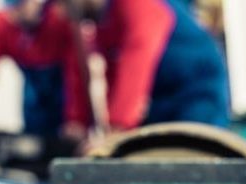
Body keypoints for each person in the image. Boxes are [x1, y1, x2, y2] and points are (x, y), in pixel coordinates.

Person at [64, 0, 230, 133]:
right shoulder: (103, 20)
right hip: (161, 97)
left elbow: (138, 53)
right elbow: (115, 75)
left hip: (197, 90)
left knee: (192, 150)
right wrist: (81, 122)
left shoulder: (135, 4)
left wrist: (117, 127)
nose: (64, 8)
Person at [0, 0, 89, 141]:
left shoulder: (59, 19)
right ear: (10, 10)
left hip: (63, 89)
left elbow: (76, 72)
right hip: (33, 91)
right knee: (33, 137)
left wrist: (77, 119)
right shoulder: (1, 25)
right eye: (22, 4)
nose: (34, 6)